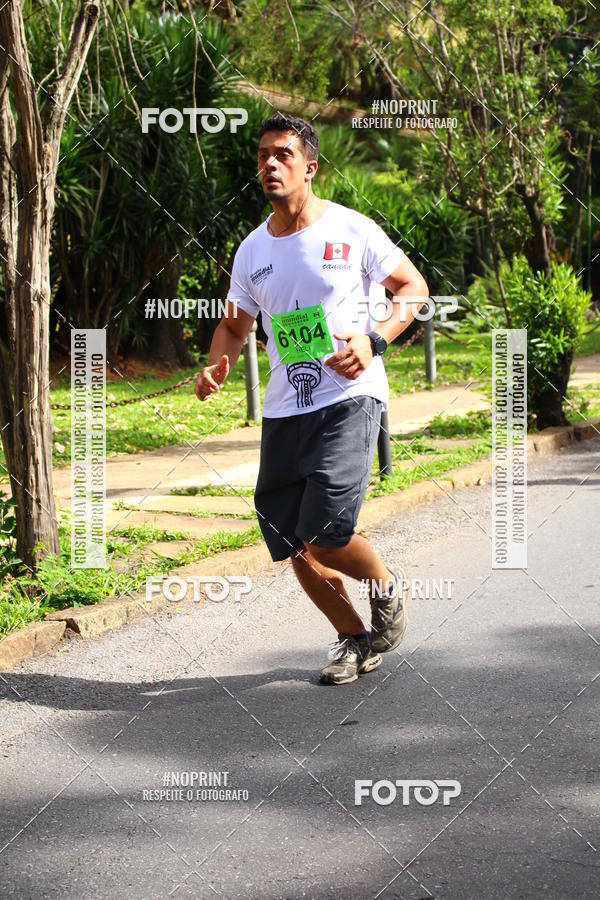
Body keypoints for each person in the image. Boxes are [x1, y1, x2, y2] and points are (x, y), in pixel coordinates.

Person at [195, 113, 429, 685]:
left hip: (349, 397)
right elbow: (234, 325)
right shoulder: (252, 250)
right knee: (290, 540)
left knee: (324, 530)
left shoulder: (352, 229)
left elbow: (413, 289)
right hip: (284, 409)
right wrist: (217, 361)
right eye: (263, 156)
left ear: (310, 167)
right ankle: (353, 638)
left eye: (283, 154)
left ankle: (385, 584)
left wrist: (374, 340)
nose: (270, 164)